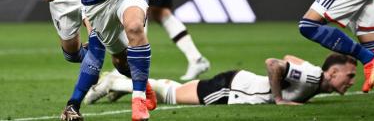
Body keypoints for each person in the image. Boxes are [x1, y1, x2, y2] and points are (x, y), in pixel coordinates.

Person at [81, 53, 357, 106]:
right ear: (332, 73)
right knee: (171, 95)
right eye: (350, 75)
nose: (352, 81)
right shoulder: (312, 76)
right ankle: (115, 82)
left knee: (173, 91)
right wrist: (278, 99)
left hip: (237, 84)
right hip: (233, 90)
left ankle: (123, 84)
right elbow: (274, 64)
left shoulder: (313, 79)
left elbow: (288, 57)